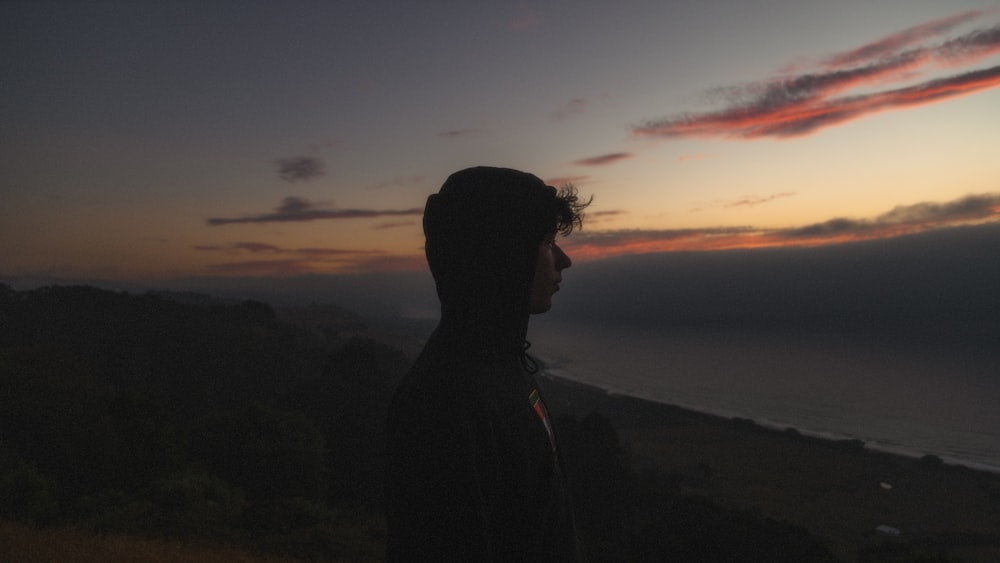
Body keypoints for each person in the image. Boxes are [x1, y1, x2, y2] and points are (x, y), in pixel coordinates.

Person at [385, 166, 590, 561]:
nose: (564, 260)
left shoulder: (501, 365)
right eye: (547, 242)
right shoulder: (443, 403)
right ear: (503, 254)